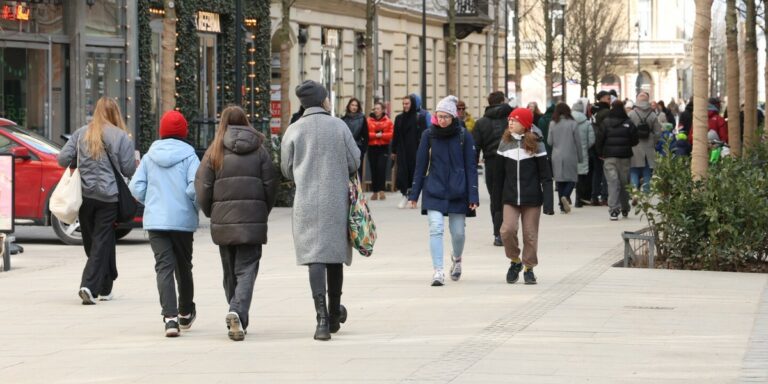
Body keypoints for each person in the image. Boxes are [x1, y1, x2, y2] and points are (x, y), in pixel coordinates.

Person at [281, 80, 361, 341]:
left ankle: (322, 320)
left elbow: (285, 167)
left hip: (305, 201)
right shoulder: (339, 127)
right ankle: (335, 314)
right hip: (335, 200)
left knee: (314, 257)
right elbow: (354, 160)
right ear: (322, 100)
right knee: (334, 256)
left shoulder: (294, 130)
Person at [195, 106, 278, 341]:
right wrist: (262, 210)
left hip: (224, 220)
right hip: (251, 220)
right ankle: (237, 312)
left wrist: (212, 211)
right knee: (247, 269)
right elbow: (270, 185)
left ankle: (236, 312)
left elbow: (202, 186)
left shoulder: (214, 151)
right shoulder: (260, 151)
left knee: (230, 272)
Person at [58, 97, 137, 305]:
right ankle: (89, 286)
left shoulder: (81, 133)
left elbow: (61, 160)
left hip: (85, 197)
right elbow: (129, 169)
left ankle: (104, 286)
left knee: (94, 243)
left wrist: (80, 157)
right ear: (115, 114)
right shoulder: (121, 137)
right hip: (109, 198)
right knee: (101, 242)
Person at [129, 111, 200, 337]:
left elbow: (136, 187)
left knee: (163, 267)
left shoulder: (150, 156)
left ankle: (169, 319)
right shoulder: (190, 156)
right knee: (184, 266)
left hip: (156, 220)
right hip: (182, 220)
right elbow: (194, 187)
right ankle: (185, 312)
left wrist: (152, 201)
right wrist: (190, 204)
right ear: (184, 132)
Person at [408, 96, 479, 286]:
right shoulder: (428, 135)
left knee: (458, 233)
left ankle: (457, 258)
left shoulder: (464, 135)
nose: (442, 120)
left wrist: (473, 195)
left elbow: (471, 166)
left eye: (446, 117)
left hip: (458, 190)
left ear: (453, 116)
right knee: (436, 228)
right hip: (434, 189)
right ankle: (438, 271)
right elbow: (420, 166)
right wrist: (414, 194)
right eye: (439, 116)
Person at [497, 108, 554, 285]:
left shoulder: (537, 144)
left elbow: (546, 176)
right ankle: (515, 261)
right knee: (506, 230)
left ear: (525, 124)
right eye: (510, 120)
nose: (510, 123)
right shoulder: (505, 142)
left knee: (530, 235)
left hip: (532, 198)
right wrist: (495, 202)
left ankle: (529, 268)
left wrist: (549, 203)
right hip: (510, 198)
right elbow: (498, 177)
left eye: (515, 120)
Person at [473, 91, 513, 246]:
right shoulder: (511, 119)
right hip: (511, 160)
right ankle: (510, 230)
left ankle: (498, 233)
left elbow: (474, 147)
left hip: (491, 163)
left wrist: (473, 166)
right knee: (510, 197)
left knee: (495, 198)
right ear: (503, 101)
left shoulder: (481, 123)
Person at [595, 100, 639, 221]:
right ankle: (625, 207)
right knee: (624, 183)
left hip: (609, 157)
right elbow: (635, 140)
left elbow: (599, 139)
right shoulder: (628, 123)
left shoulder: (605, 122)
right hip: (624, 157)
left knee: (613, 182)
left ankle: (614, 210)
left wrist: (600, 153)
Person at [392, 94, 430, 208]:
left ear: (412, 104)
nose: (405, 106)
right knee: (403, 173)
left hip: (416, 150)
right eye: (403, 104)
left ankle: (413, 197)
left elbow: (424, 135)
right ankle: (405, 195)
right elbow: (396, 135)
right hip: (402, 151)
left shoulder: (420, 118)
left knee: (415, 173)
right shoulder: (399, 118)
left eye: (407, 103)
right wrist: (394, 151)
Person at [548, 103, 583, 213]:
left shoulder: (553, 124)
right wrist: (580, 157)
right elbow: (578, 142)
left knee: (560, 180)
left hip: (556, 155)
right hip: (570, 154)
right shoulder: (573, 123)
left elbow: (549, 141)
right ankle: (565, 196)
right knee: (572, 179)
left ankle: (562, 207)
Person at [628, 92, 661, 196]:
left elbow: (628, 130)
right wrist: (653, 142)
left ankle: (634, 191)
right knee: (647, 170)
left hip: (634, 146)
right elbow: (657, 132)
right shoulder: (652, 114)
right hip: (648, 146)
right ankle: (646, 193)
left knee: (633, 170)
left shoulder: (631, 114)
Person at [366, 102, 394, 200]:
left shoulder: (388, 121)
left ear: (382, 110)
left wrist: (382, 135)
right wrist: (375, 135)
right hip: (372, 147)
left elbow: (390, 134)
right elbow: (366, 135)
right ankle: (375, 191)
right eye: (375, 109)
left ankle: (381, 190)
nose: (376, 110)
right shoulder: (369, 121)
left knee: (381, 168)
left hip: (383, 147)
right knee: (373, 169)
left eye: (378, 109)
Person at [590, 91, 612, 206]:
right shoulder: (606, 112)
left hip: (593, 144)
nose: (610, 100)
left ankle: (594, 196)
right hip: (603, 144)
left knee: (596, 171)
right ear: (602, 98)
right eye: (608, 98)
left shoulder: (594, 110)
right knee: (605, 171)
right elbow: (607, 128)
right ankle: (605, 196)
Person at [572, 100, 595, 208]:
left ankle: (566, 196)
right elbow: (591, 139)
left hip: (570, 151)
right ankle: (579, 200)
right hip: (583, 152)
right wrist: (585, 146)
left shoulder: (567, 121)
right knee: (581, 177)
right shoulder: (586, 123)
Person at [341, 98, 369, 180]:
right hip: (345, 149)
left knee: (358, 172)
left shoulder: (362, 119)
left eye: (356, 105)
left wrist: (363, 150)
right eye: (352, 105)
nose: (354, 107)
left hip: (358, 148)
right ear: (349, 106)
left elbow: (366, 136)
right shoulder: (343, 119)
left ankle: (358, 192)